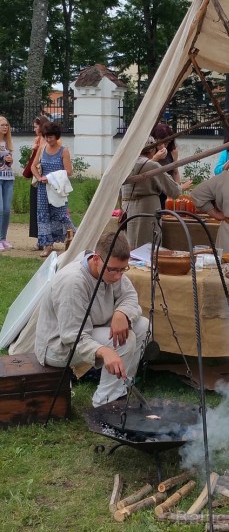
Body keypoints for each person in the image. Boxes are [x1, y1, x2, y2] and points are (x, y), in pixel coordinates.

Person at [34, 232, 148, 408]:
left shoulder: (109, 268)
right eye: (113, 270)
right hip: (58, 346)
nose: (119, 276)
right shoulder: (73, 282)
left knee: (143, 325)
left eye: (123, 270)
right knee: (125, 341)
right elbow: (72, 336)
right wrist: (104, 350)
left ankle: (121, 390)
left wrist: (122, 313)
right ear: (96, 258)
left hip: (89, 329)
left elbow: (130, 296)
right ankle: (105, 404)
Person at [121, 136, 188, 248]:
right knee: (147, 245)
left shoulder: (125, 164)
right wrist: (181, 188)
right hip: (147, 208)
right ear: (152, 149)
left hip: (127, 207)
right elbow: (174, 190)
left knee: (130, 244)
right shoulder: (152, 165)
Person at [31, 122, 75, 257]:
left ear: (57, 137)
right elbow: (33, 166)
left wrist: (50, 177)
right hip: (43, 189)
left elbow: (69, 171)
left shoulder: (64, 151)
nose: (49, 140)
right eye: (46, 137)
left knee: (61, 215)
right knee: (43, 216)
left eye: (51, 137)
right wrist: (39, 178)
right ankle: (47, 245)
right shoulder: (42, 149)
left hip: (57, 188)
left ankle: (74, 237)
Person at [28, 116, 50, 250]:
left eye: (36, 126)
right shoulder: (37, 140)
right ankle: (39, 239)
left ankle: (48, 239)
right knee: (36, 208)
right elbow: (32, 162)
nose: (34, 129)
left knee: (48, 209)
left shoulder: (50, 141)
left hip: (48, 177)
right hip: (37, 178)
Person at [151, 123, 182, 208]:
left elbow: (175, 172)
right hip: (151, 190)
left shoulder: (172, 151)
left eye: (167, 143)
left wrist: (177, 189)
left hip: (166, 190)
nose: (164, 146)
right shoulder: (149, 151)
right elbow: (143, 167)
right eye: (161, 142)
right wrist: (155, 158)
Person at [0, 116, 14, 251]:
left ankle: (3, 238)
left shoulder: (8, 142)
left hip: (8, 177)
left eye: (7, 125)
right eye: (2, 125)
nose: (5, 127)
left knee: (6, 210)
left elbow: (8, 163)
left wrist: (10, 160)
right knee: (0, 209)